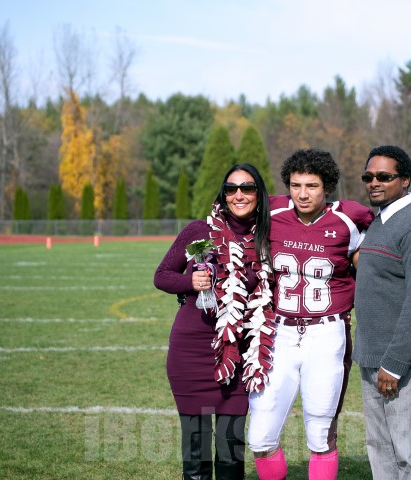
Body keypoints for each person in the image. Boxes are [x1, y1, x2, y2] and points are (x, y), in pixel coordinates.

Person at [247, 148, 374, 480]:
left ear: (327, 187)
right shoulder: (272, 212)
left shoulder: (350, 219)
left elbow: (374, 268)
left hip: (326, 333)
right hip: (278, 332)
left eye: (312, 186)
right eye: (296, 185)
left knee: (320, 434)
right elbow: (228, 211)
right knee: (260, 437)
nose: (302, 194)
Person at [154, 164, 276, 480]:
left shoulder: (268, 237)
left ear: (259, 195)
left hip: (238, 354)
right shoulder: (199, 231)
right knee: (195, 449)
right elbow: (162, 275)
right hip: (191, 351)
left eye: (247, 188)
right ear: (223, 194)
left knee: (230, 447)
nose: (239, 195)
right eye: (231, 188)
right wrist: (190, 282)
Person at [353, 145, 411, 480]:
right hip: (373, 358)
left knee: (409, 456)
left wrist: (393, 365)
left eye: (384, 176)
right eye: (368, 177)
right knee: (381, 451)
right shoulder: (381, 221)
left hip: (404, 365)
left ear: (405, 179)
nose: (374, 183)